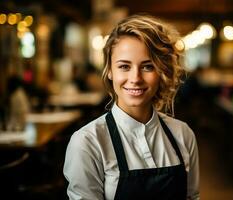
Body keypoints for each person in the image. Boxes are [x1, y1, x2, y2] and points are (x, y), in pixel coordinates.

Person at [63, 14, 200, 200]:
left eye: (147, 67)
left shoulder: (183, 135)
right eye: (124, 67)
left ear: (161, 72)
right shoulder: (87, 143)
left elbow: (191, 197)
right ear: (109, 71)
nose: (135, 79)